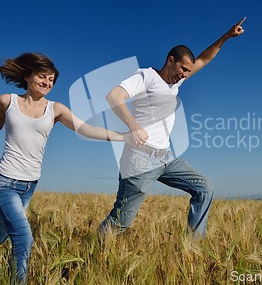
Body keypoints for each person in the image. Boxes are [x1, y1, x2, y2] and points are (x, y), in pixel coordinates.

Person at [0, 52, 125, 284]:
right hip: (3, 181)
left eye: (52, 79)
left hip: (29, 184)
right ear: (28, 76)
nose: (47, 82)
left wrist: (122, 136)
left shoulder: (55, 109)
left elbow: (85, 129)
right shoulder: (7, 101)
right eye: (43, 76)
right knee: (23, 238)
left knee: (0, 235)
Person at [98, 18, 245, 238]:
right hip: (140, 158)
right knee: (121, 222)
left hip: (165, 158)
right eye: (183, 69)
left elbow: (204, 59)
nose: (185, 75)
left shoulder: (175, 83)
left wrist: (226, 36)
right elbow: (114, 96)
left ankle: (193, 249)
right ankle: (87, 256)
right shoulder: (146, 76)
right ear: (170, 60)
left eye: (188, 71)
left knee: (205, 188)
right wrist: (134, 126)